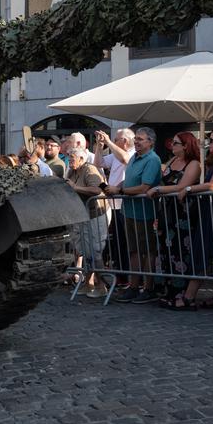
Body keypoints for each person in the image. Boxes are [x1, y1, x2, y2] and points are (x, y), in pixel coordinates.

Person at [163, 128, 213, 310]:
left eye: (212, 140)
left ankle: (189, 297)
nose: (208, 144)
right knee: (211, 250)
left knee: (205, 251)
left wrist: (189, 189)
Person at [106, 127, 161, 303]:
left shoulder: (152, 159)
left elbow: (144, 187)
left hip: (144, 212)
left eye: (141, 139)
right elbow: (128, 179)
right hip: (128, 210)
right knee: (133, 251)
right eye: (136, 138)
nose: (136, 141)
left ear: (150, 142)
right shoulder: (133, 158)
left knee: (147, 251)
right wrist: (116, 187)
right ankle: (134, 286)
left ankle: (149, 287)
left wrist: (120, 190)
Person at [146, 131, 201, 293]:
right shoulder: (173, 160)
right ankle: (165, 287)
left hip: (183, 213)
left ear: (186, 146)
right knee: (164, 248)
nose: (172, 145)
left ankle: (180, 289)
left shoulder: (194, 164)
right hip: (166, 211)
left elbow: (181, 186)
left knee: (180, 249)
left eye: (176, 143)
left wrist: (158, 189)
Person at [66, 147, 108, 298]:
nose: (70, 161)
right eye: (69, 158)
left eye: (72, 158)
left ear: (82, 159)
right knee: (86, 251)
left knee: (95, 251)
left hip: (95, 215)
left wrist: (76, 187)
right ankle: (88, 283)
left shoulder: (89, 169)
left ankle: (102, 286)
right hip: (81, 215)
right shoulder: (72, 171)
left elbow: (97, 190)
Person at [94, 128, 136, 277]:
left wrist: (109, 142)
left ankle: (127, 276)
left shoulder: (132, 153)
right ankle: (121, 275)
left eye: (116, 139)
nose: (114, 141)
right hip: (114, 204)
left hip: (125, 203)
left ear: (124, 141)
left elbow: (125, 159)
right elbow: (98, 163)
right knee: (118, 243)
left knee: (126, 243)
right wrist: (100, 146)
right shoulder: (115, 154)